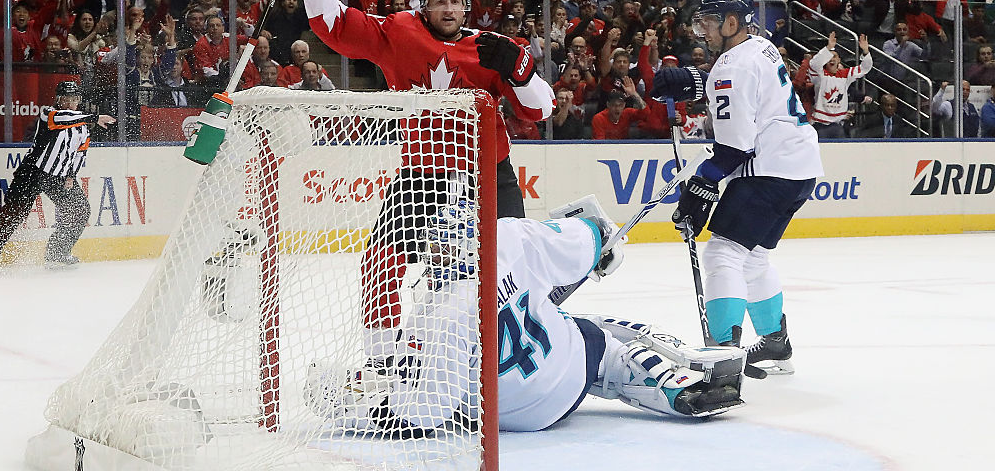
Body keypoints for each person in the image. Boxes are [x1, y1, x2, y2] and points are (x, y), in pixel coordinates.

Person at [284, 0, 555, 363]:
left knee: (509, 264)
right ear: (423, 7)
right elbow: (336, 26)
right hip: (422, 173)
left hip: (489, 172)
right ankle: (381, 359)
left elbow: (540, 111)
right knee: (381, 260)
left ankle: (514, 349)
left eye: (456, 1)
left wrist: (523, 73)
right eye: (439, 1)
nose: (448, 9)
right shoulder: (400, 34)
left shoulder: (493, 48)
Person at [315, 203, 744, 436]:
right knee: (593, 334)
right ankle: (649, 372)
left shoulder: (438, 313)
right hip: (568, 366)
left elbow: (427, 413)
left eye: (435, 250)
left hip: (514, 418)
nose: (431, 257)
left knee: (454, 370)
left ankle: (629, 367)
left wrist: (361, 415)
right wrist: (600, 243)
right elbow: (587, 237)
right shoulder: (508, 237)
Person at [653, 0, 823, 378]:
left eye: (710, 23)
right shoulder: (760, 47)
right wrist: (698, 82)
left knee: (723, 254)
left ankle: (723, 356)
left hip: (767, 169)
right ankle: (775, 345)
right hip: (799, 167)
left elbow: (734, 147)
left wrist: (701, 185)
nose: (704, 31)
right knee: (755, 256)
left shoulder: (732, 66)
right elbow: (749, 91)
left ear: (732, 22)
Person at [0, 81, 116, 269]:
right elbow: (64, 119)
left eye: (74, 99)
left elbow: (80, 152)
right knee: (13, 214)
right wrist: (94, 117)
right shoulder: (48, 114)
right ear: (58, 100)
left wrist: (71, 176)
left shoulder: (82, 126)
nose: (70, 103)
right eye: (66, 99)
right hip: (32, 172)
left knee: (80, 210)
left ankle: (57, 252)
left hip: (58, 177)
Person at [807, 32, 873, 138]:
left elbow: (865, 68)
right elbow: (814, 64)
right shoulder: (819, 75)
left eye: (835, 57)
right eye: (829, 57)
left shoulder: (845, 75)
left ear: (839, 60)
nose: (832, 59)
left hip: (839, 125)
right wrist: (828, 47)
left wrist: (865, 51)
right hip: (820, 125)